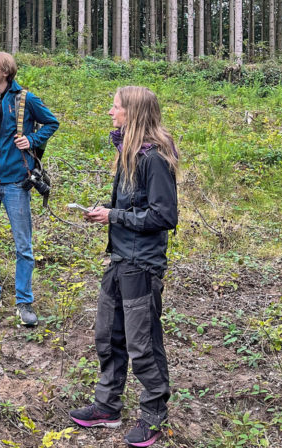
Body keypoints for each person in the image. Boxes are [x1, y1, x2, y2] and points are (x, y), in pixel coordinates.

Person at [69, 86, 178, 448]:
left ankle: (153, 417)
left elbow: (165, 215)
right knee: (108, 335)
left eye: (115, 107)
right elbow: (135, 206)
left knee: (142, 345)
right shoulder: (128, 152)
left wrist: (113, 215)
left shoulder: (154, 159)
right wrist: (105, 213)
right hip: (119, 259)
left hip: (141, 266)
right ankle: (107, 407)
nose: (110, 112)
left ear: (133, 114)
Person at [0, 52, 59, 327]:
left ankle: (24, 302)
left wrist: (31, 139)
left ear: (5, 71)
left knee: (23, 246)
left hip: (17, 182)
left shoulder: (25, 99)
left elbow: (52, 122)